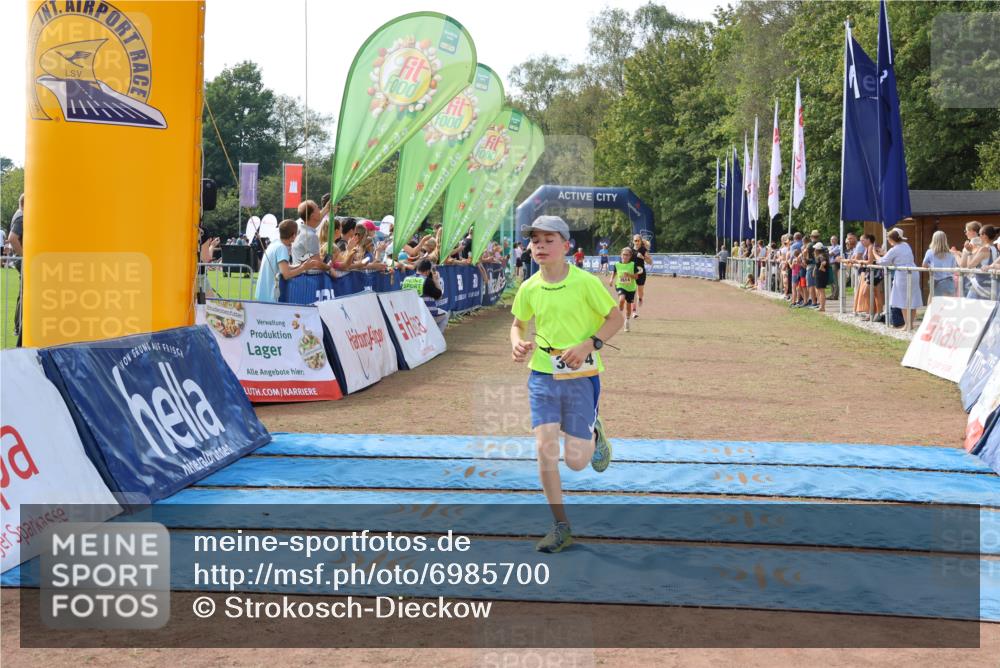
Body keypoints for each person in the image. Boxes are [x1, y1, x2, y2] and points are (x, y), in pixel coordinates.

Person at [510, 215, 624, 553]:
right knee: (544, 447)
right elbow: (517, 324)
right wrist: (516, 342)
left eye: (549, 240)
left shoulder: (586, 282)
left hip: (581, 376)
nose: (540, 247)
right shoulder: (529, 287)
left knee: (576, 461)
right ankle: (561, 526)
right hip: (542, 375)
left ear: (566, 245)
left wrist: (589, 344)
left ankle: (594, 433)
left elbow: (615, 318)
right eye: (535, 241)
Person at [254, 220, 326, 302]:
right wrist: (303, 268)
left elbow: (284, 267)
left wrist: (301, 265)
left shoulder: (274, 244)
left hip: (263, 295)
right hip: (271, 297)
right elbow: (286, 275)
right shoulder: (281, 248)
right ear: (293, 235)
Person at [874, 228, 923, 327]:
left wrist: (874, 254)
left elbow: (883, 261)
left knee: (903, 299)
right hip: (913, 272)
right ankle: (910, 324)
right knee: (912, 298)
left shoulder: (894, 249)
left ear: (892, 239)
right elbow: (897, 257)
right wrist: (885, 255)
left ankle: (907, 324)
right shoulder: (906, 245)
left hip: (902, 274)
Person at [954, 223, 999, 299]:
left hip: (980, 286)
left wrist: (969, 252)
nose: (979, 236)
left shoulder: (984, 249)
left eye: (980, 234)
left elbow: (970, 265)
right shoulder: (995, 248)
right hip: (992, 286)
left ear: (984, 235)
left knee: (967, 305)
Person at [402, 259, 449, 333]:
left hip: (410, 314)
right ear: (427, 271)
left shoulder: (406, 279)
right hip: (427, 314)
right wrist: (436, 281)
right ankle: (437, 337)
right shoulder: (427, 281)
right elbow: (439, 296)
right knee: (445, 315)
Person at [292, 199, 332, 273]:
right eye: (317, 208)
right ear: (312, 216)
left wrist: (326, 208)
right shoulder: (311, 236)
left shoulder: (301, 229)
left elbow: (315, 222)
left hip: (300, 275)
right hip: (308, 277)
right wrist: (329, 267)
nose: (319, 210)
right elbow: (316, 263)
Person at [611, 247, 642, 331]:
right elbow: (614, 272)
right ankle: (619, 313)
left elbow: (636, 277)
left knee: (628, 306)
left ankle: (627, 321)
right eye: (624, 254)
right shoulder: (617, 264)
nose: (625, 256)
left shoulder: (633, 264)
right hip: (620, 285)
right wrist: (611, 279)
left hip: (631, 288)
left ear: (630, 256)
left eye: (627, 255)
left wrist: (629, 275)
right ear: (621, 255)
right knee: (621, 299)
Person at [922, 230, 959, 299]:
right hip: (948, 281)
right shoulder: (951, 253)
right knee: (949, 303)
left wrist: (931, 266)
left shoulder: (930, 252)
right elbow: (953, 268)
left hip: (935, 281)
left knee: (933, 301)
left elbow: (924, 265)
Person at [630, 234, 649, 317]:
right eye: (635, 240)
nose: (637, 242)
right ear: (633, 241)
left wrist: (644, 258)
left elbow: (650, 262)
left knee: (640, 291)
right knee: (633, 292)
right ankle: (634, 311)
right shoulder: (630, 250)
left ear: (641, 241)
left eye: (638, 240)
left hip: (641, 273)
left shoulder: (643, 250)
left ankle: (640, 298)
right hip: (632, 273)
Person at [813, 243, 829, 311]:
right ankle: (821, 306)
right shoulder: (820, 256)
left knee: (821, 291)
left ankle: (822, 307)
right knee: (819, 291)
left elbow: (824, 262)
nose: (814, 250)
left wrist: (821, 267)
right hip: (819, 275)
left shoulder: (821, 256)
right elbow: (817, 265)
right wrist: (814, 271)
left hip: (821, 275)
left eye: (815, 249)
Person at [828, 235, 842, 300]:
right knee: (831, 280)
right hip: (830, 264)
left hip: (835, 264)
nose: (832, 241)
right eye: (831, 240)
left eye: (833, 240)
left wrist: (827, 253)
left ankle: (835, 295)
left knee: (834, 279)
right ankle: (832, 294)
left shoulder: (839, 247)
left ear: (836, 240)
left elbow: (831, 254)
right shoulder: (830, 247)